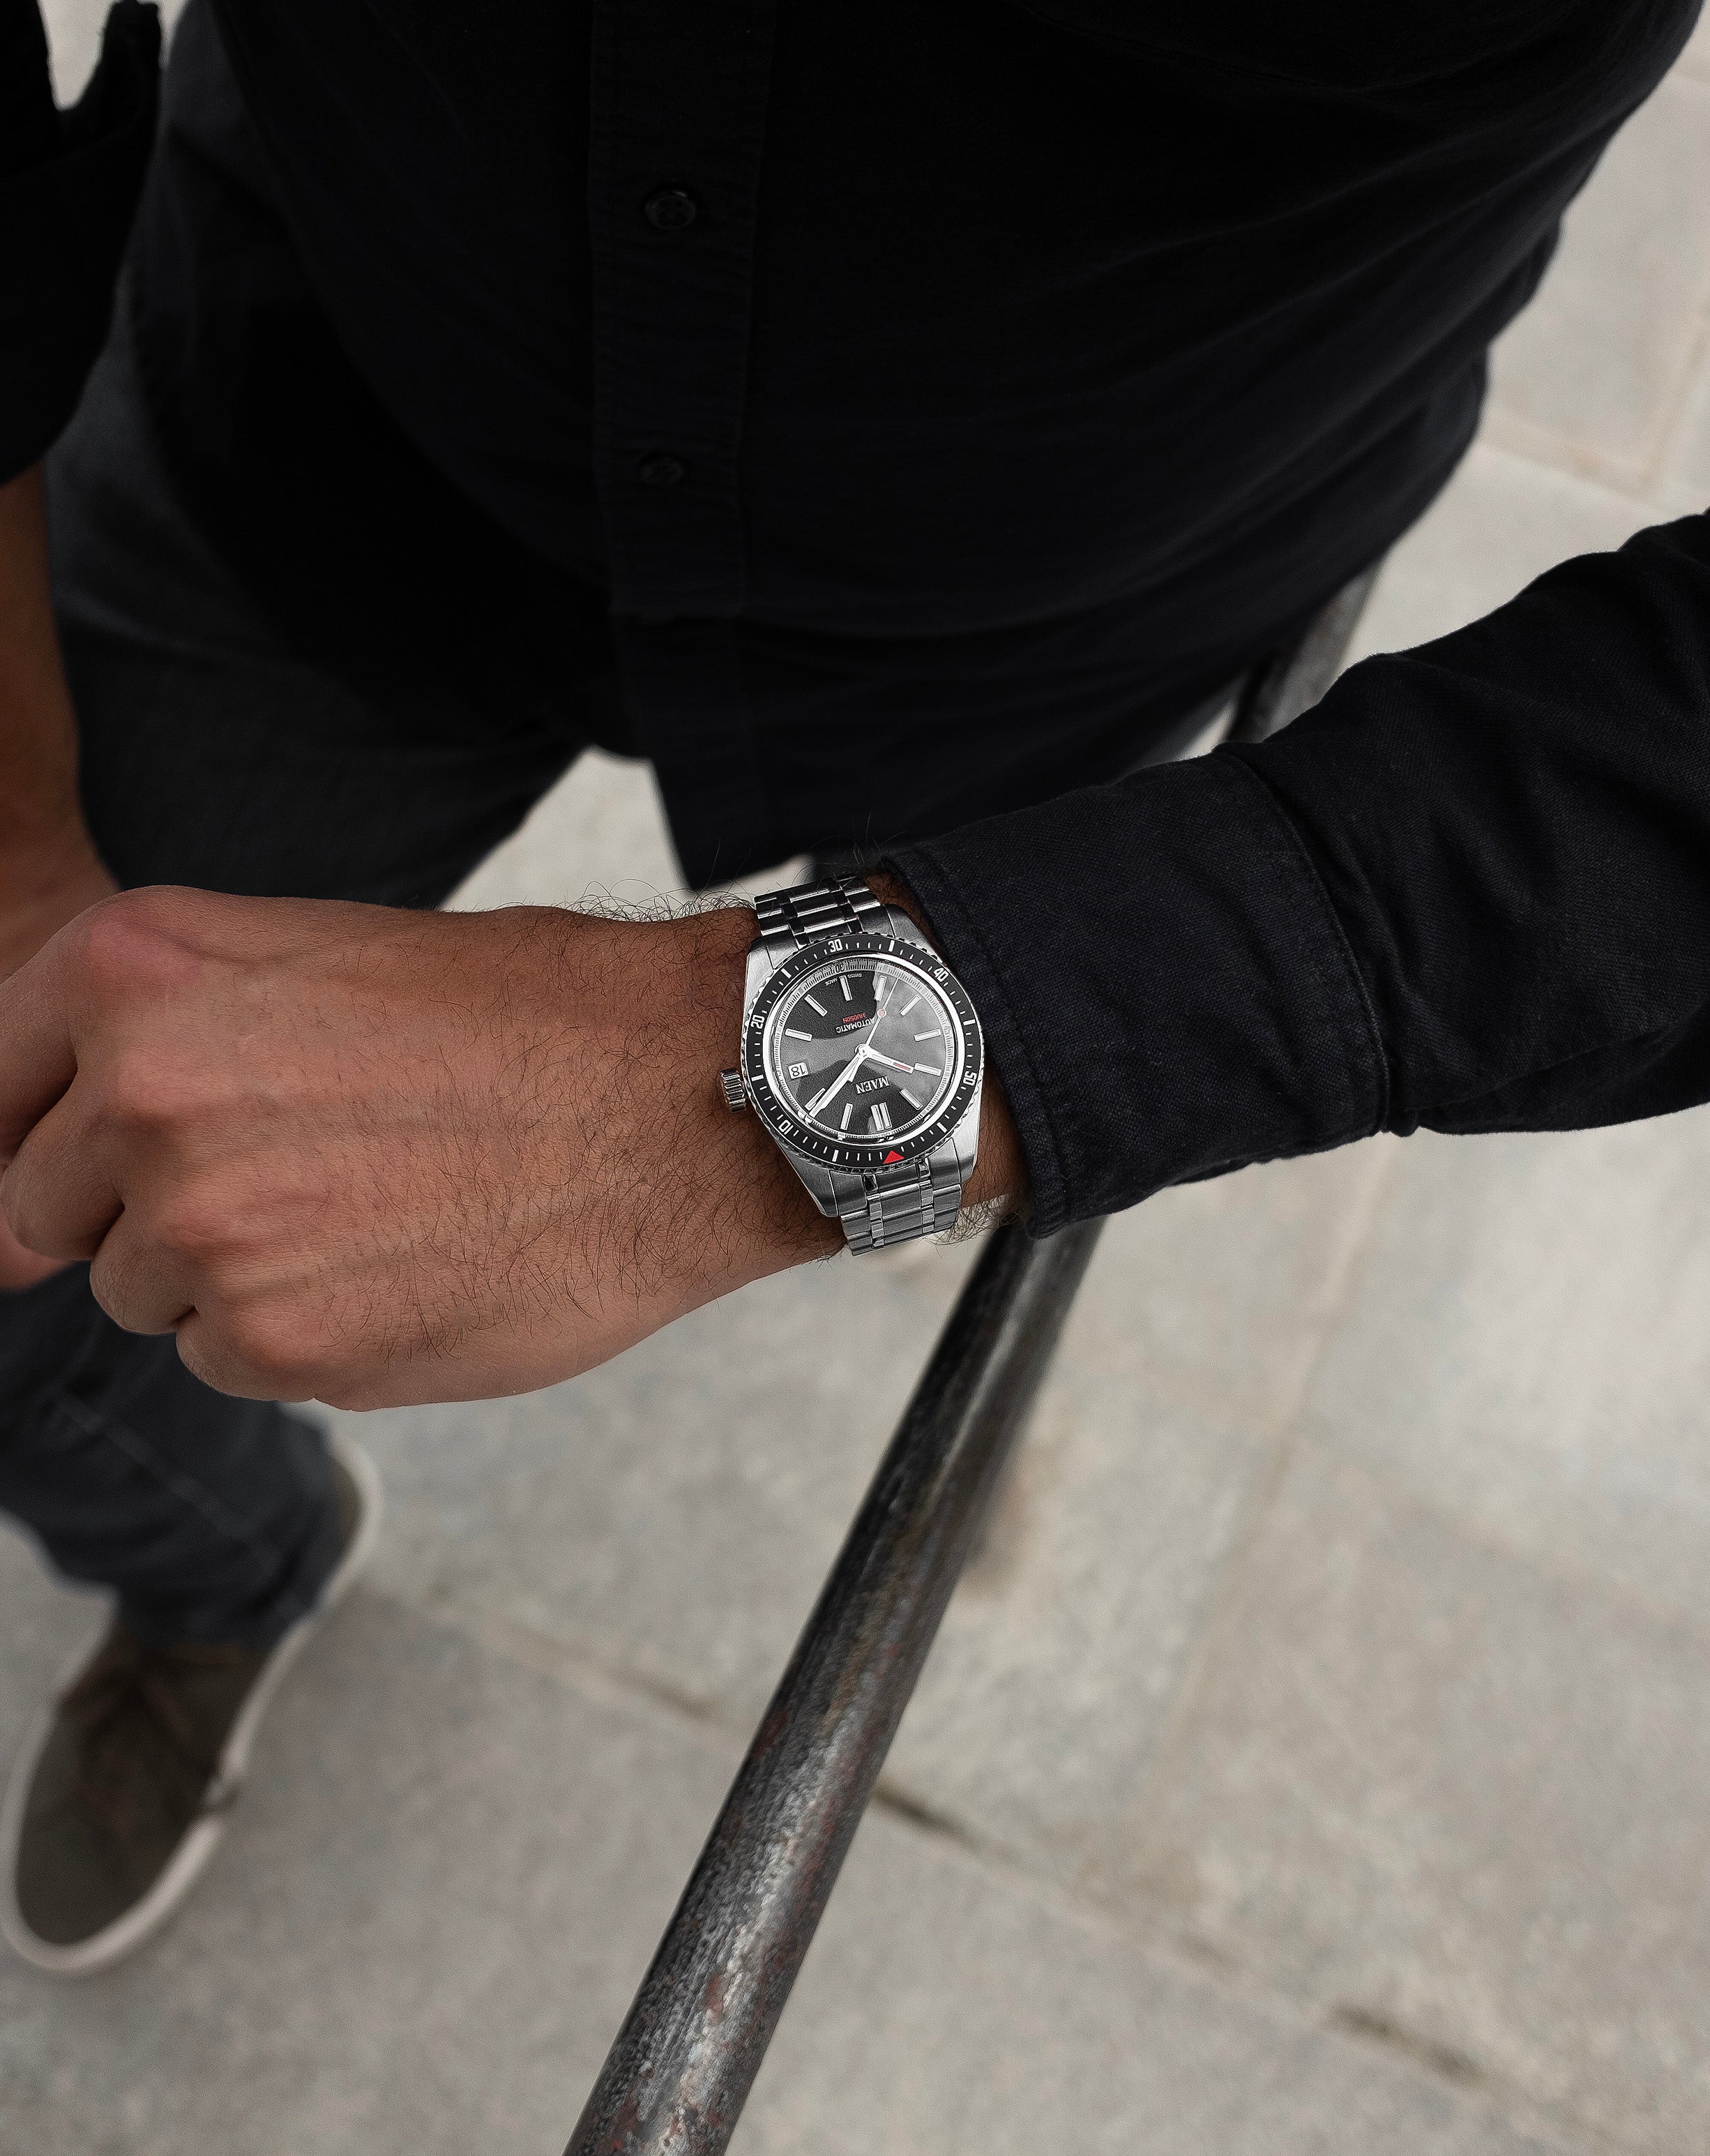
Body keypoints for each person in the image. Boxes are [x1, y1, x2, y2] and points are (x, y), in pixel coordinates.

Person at [2, 0, 1707, 1974]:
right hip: (322, 404)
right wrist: (15, 827)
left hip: (1083, 587)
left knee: (949, 1039)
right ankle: (236, 1566)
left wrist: (821, 1076)